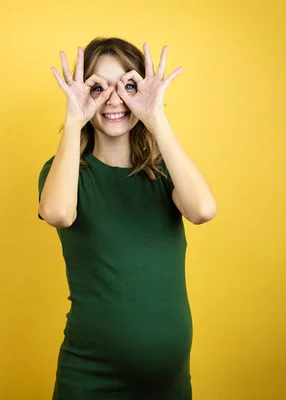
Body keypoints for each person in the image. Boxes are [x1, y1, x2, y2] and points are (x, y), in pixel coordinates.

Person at [37, 37, 217, 400]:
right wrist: (74, 119)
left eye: (129, 85)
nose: (115, 99)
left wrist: (156, 117)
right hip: (88, 377)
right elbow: (57, 212)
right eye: (98, 88)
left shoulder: (165, 173)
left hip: (168, 384)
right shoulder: (68, 173)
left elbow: (202, 210)